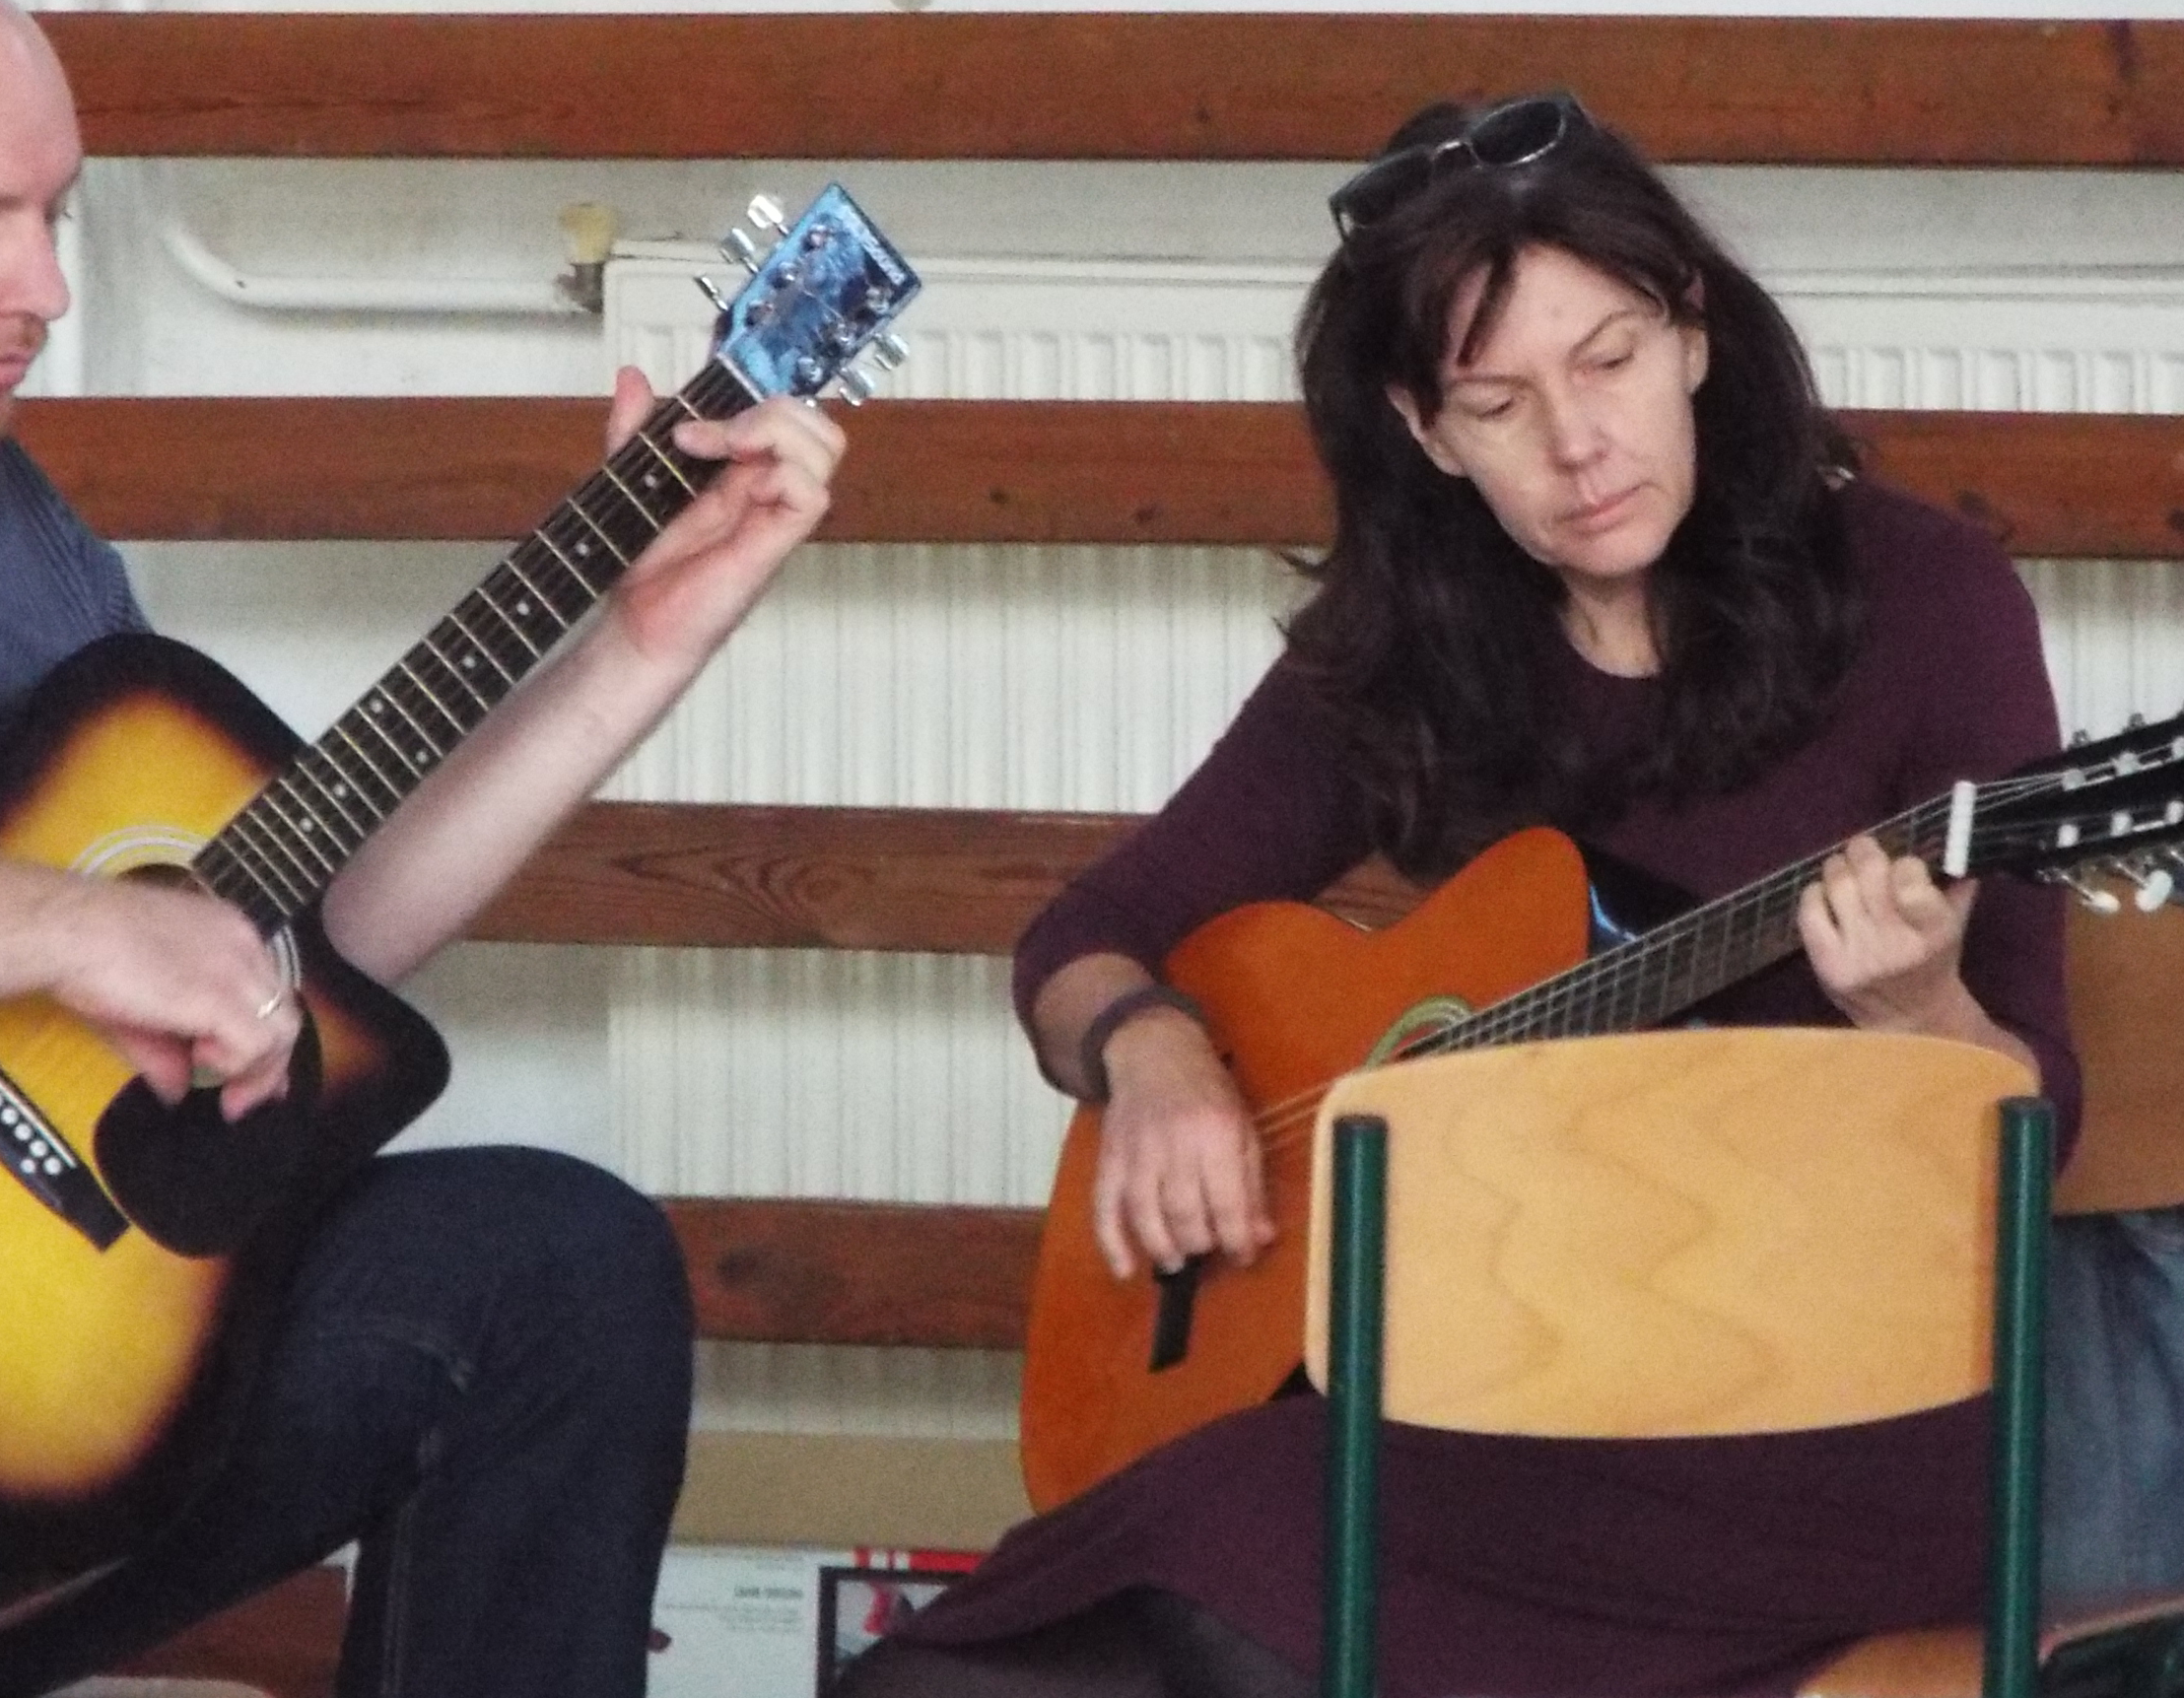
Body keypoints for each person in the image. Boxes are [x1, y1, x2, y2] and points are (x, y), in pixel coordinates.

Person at [0, 0, 845, 1698]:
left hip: (38, 1380)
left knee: (559, 1266)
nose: (42, 286)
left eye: (54, 218)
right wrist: (67, 929)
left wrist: (637, 650)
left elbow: (267, 940)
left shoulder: (7, 523)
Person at [838, 93, 2080, 1698]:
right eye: (1498, 403)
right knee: (1011, 1650)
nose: (1578, 443)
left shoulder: (1927, 599)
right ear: (1426, 433)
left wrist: (1919, 1014)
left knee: (1195, 1582)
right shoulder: (1415, 646)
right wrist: (1155, 1054)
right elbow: (1084, 939)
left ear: (1694, 334)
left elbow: (2044, 1121)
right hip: (1491, 1388)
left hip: (1830, 1426)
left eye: (1610, 360)